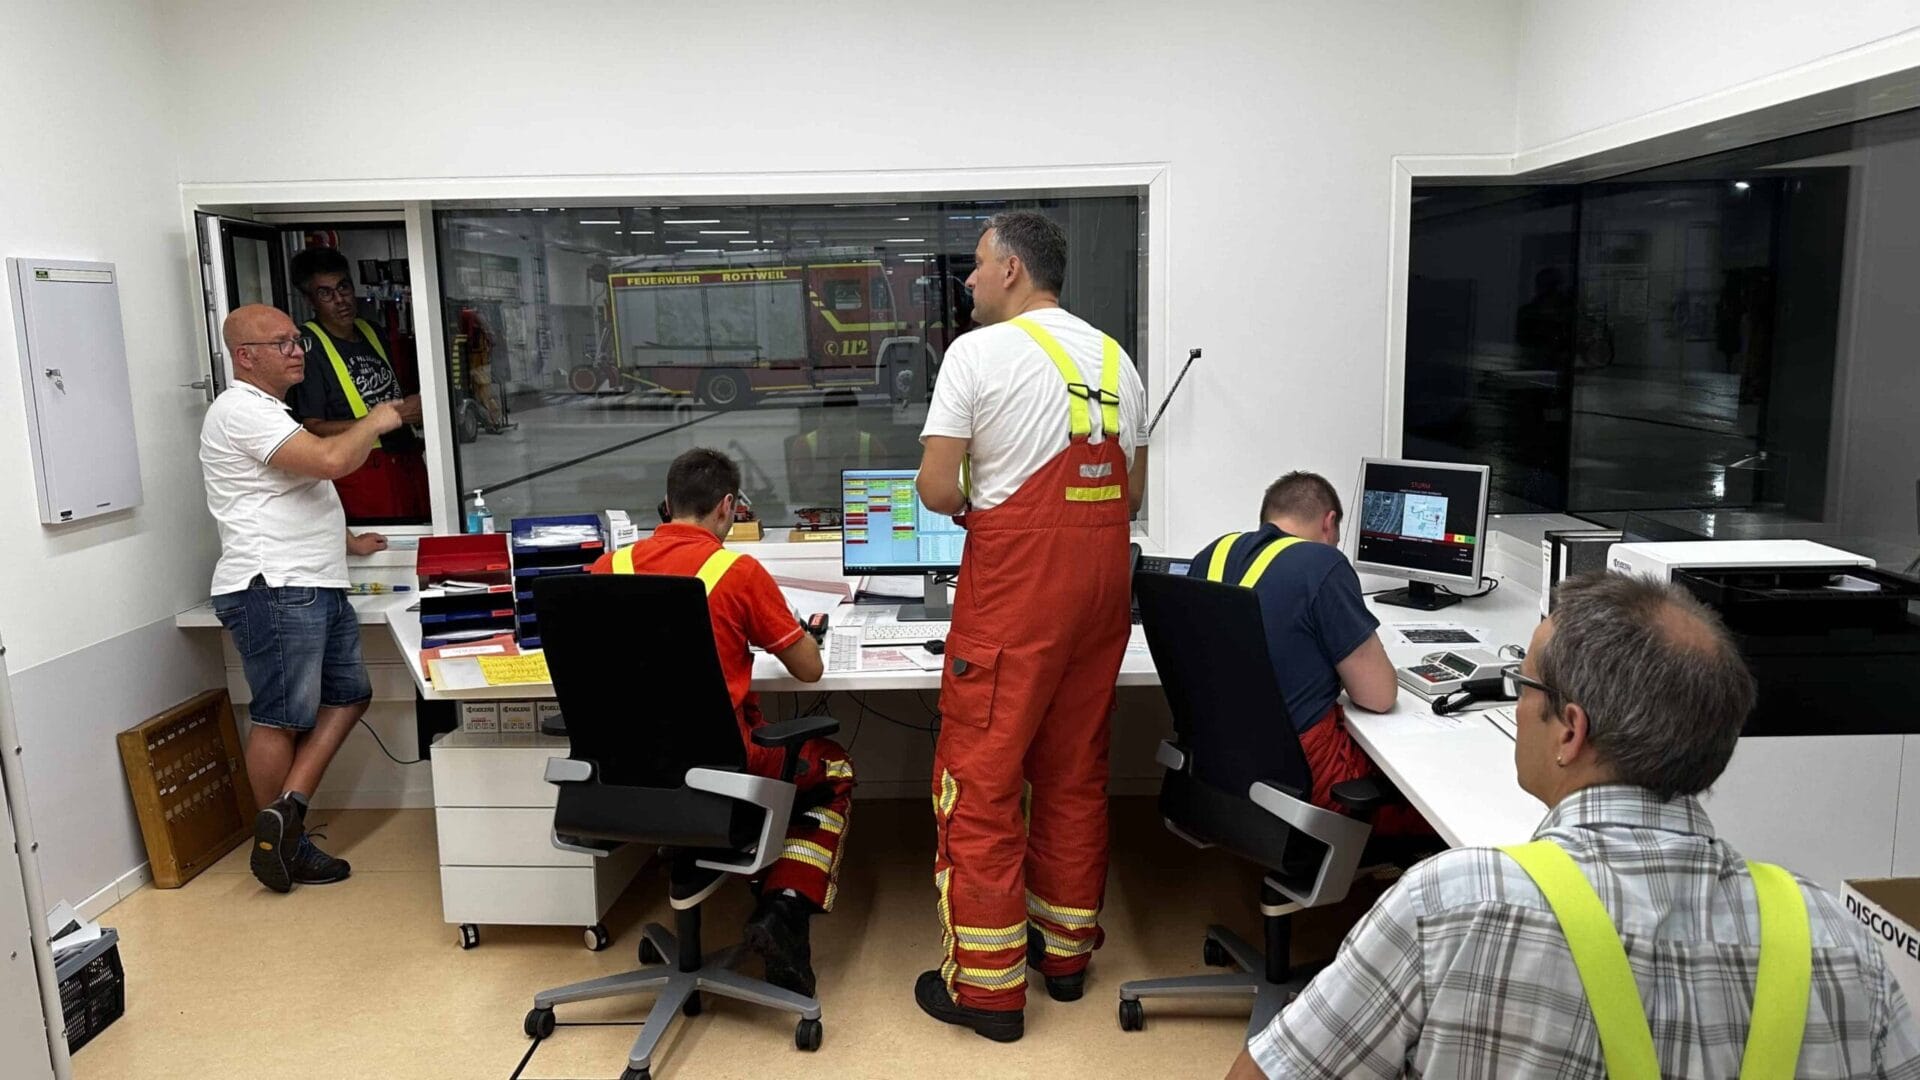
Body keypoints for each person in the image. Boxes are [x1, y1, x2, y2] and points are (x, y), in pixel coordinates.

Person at [1226, 572, 1920, 1079]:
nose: (1517, 706)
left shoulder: (1450, 906)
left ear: (1571, 731)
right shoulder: (1843, 945)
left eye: (1523, 686)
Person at [912, 210, 1148, 1042]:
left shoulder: (977, 354)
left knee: (979, 785)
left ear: (1012, 269)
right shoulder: (1118, 361)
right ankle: (1066, 956)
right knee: (1074, 774)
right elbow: (1130, 498)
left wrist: (983, 498)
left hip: (1016, 597)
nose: (969, 280)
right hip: (1101, 595)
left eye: (978, 265)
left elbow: (936, 490)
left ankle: (988, 992)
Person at [586, 448, 850, 999]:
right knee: (832, 770)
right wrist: (790, 627)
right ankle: (785, 909)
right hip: (719, 770)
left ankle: (717, 872)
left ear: (667, 504)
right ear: (728, 506)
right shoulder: (737, 572)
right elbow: (809, 670)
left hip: (622, 777)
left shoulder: (607, 568)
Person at [200, 304, 406, 894]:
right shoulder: (239, 410)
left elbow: (288, 494)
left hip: (313, 579)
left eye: (298, 341)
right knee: (281, 717)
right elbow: (331, 461)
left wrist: (349, 542)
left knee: (350, 695)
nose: (298, 351)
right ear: (246, 357)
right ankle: (280, 845)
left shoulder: (272, 412)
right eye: (283, 343)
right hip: (276, 586)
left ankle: (286, 812)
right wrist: (378, 418)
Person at [1187, 472, 1424, 833]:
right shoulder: (1322, 564)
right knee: (1432, 797)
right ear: (1329, 522)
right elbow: (1378, 697)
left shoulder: (1211, 555)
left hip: (1218, 767)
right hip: (1306, 778)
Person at [287, 246, 429, 523]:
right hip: (362, 471)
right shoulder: (308, 347)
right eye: (326, 293)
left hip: (405, 461)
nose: (340, 300)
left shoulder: (372, 331)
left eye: (344, 287)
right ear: (309, 300)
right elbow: (312, 427)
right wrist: (390, 418)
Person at [785, 388, 888, 509]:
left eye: (848, 414)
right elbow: (801, 491)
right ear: (824, 416)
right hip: (817, 510)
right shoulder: (804, 445)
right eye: (839, 414)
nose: (845, 422)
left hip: (859, 509)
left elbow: (881, 489)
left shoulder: (872, 445)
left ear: (856, 416)